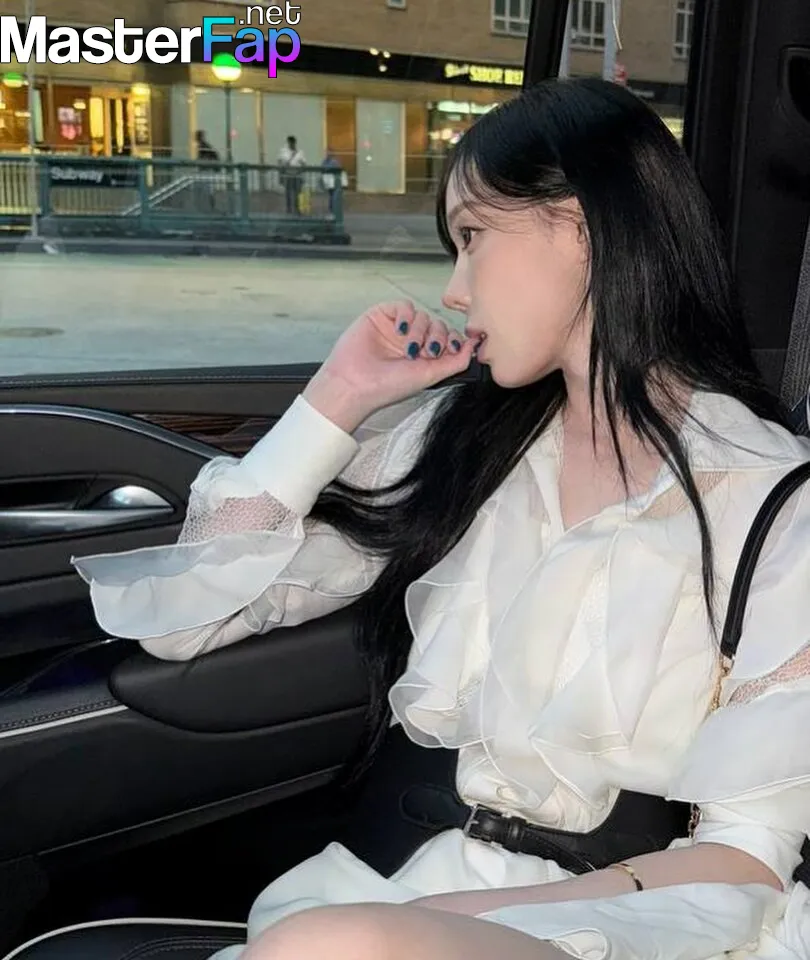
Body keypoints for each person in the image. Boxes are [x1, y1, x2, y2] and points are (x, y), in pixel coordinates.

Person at [73, 77, 810, 960]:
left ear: (580, 226)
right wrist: (336, 398)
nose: (454, 290)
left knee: (328, 949)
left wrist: (464, 920)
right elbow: (184, 623)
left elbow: (747, 859)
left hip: (629, 921)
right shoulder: (463, 445)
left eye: (471, 238)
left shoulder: (770, 496)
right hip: (402, 888)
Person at [278, 134, 306, 214]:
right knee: (288, 193)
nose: (291, 144)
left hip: (297, 175)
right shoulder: (283, 152)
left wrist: (302, 169)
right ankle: (289, 209)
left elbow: (304, 163)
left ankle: (297, 209)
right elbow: (280, 163)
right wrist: (281, 176)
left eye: (293, 142)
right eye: (290, 142)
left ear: (295, 143)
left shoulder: (300, 152)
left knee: (298, 193)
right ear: (288, 142)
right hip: (288, 175)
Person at [321, 146, 348, 217]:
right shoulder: (326, 161)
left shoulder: (333, 161)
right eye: (326, 152)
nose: (327, 153)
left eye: (328, 152)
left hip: (333, 181)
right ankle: (333, 210)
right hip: (330, 182)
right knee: (332, 195)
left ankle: (333, 210)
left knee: (333, 196)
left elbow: (326, 169)